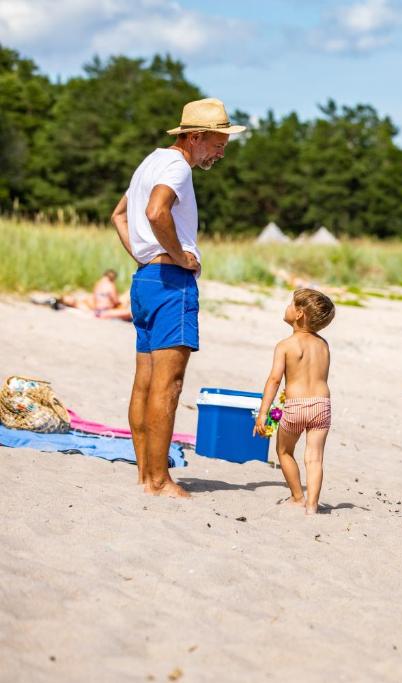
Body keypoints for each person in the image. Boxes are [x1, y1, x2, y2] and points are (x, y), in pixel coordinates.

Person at [109, 98, 245, 498]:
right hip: (170, 282)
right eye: (219, 143)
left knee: (145, 384)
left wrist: (143, 254)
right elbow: (155, 212)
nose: (222, 152)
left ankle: (144, 474)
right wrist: (180, 255)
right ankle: (159, 480)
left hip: (146, 279)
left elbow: (119, 215)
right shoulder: (178, 167)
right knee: (168, 386)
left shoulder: (149, 162)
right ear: (196, 137)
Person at [254, 289, 336, 515]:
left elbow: (274, 380)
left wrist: (264, 413)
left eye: (291, 304)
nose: (287, 307)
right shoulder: (323, 345)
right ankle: (312, 506)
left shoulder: (286, 345)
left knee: (284, 451)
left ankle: (298, 496)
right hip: (321, 405)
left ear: (299, 313)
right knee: (315, 457)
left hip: (295, 406)